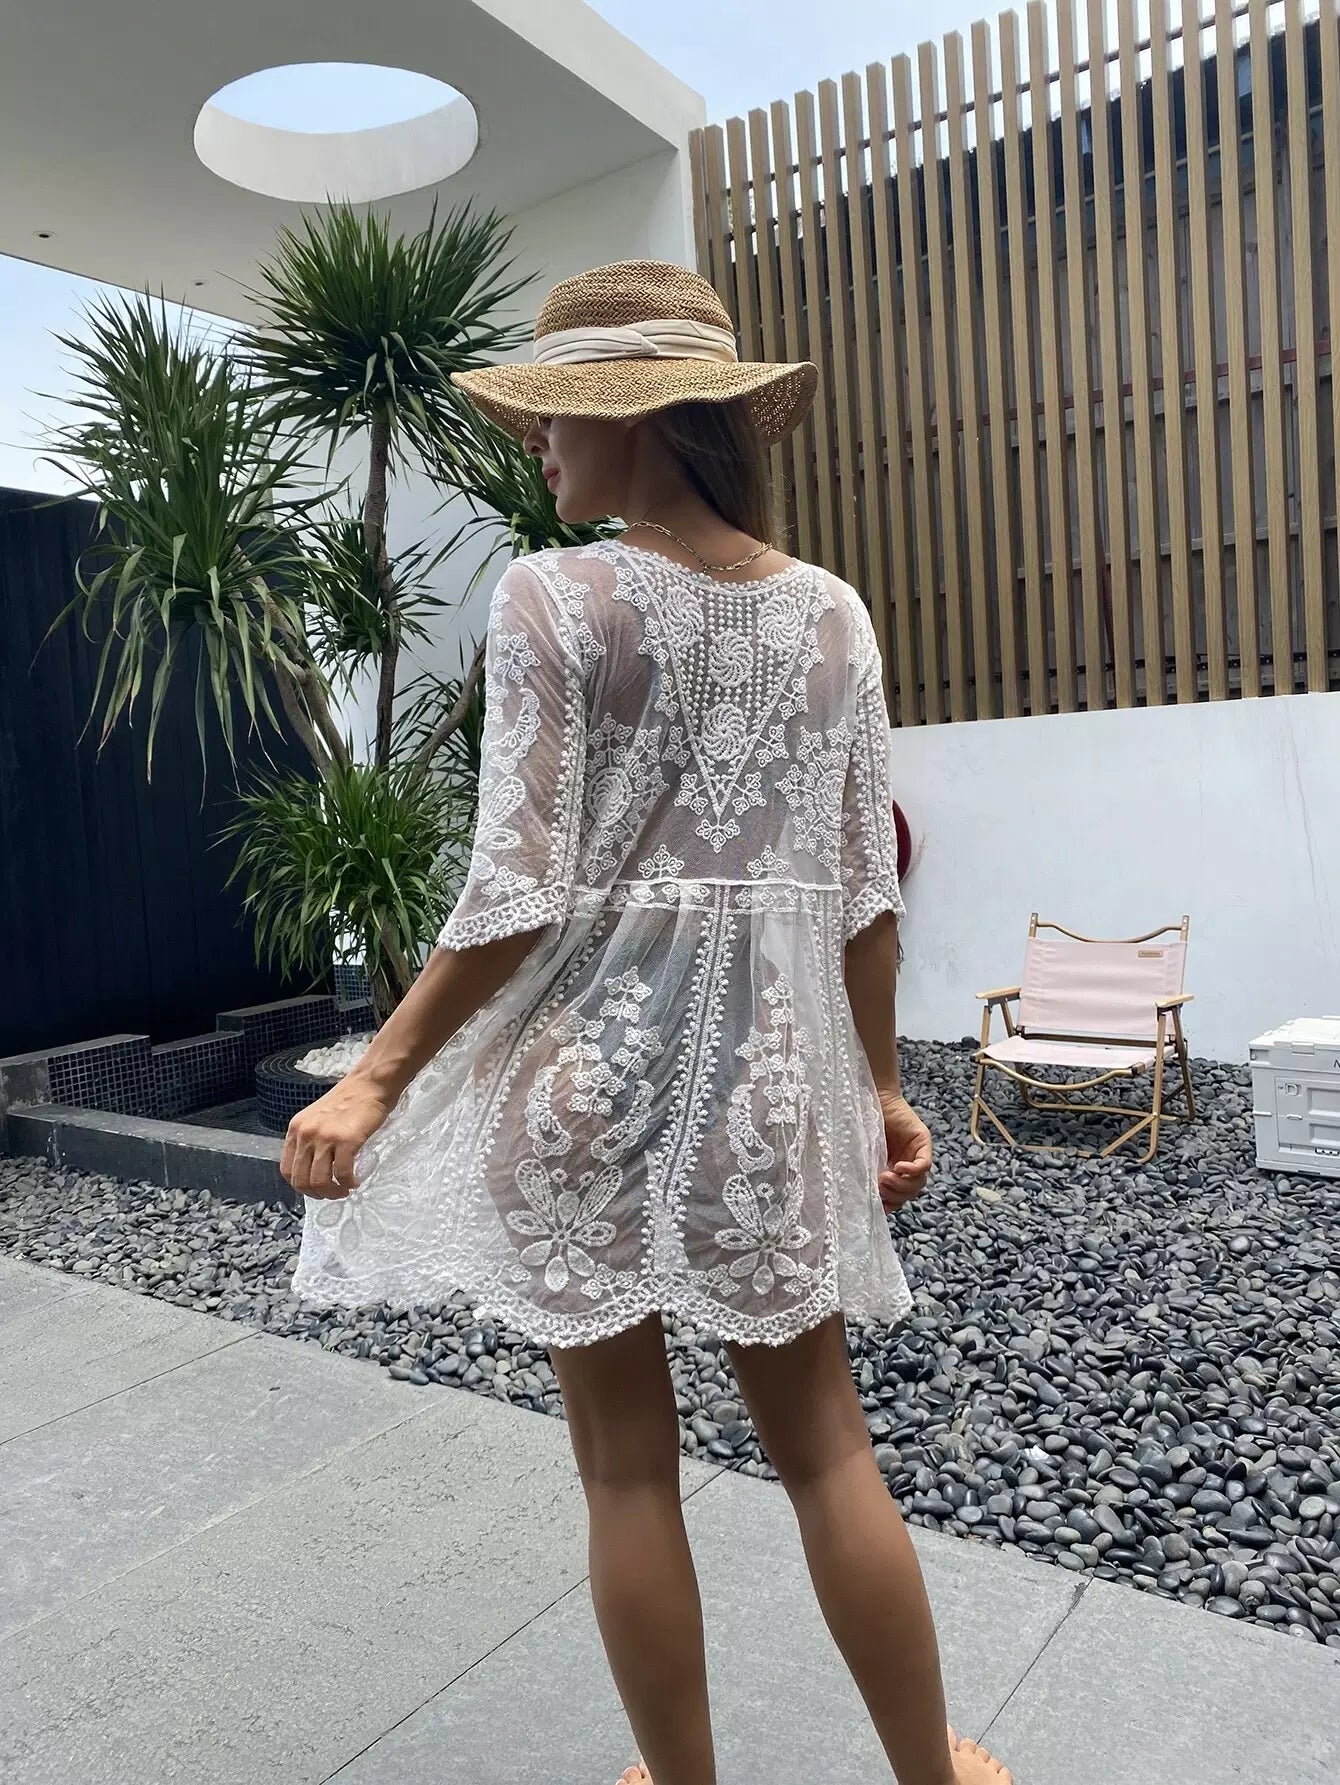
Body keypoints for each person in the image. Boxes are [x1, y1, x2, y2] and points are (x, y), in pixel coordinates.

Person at [284, 261, 1011, 1785]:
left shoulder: (554, 597)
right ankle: (931, 1780)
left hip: (580, 1093)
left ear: (641, 416)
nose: (536, 443)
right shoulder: (833, 617)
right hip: (765, 1093)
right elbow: (864, 894)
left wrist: (377, 1076)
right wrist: (881, 1088)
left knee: (627, 1471)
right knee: (829, 1449)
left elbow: (514, 891)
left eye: (557, 414)